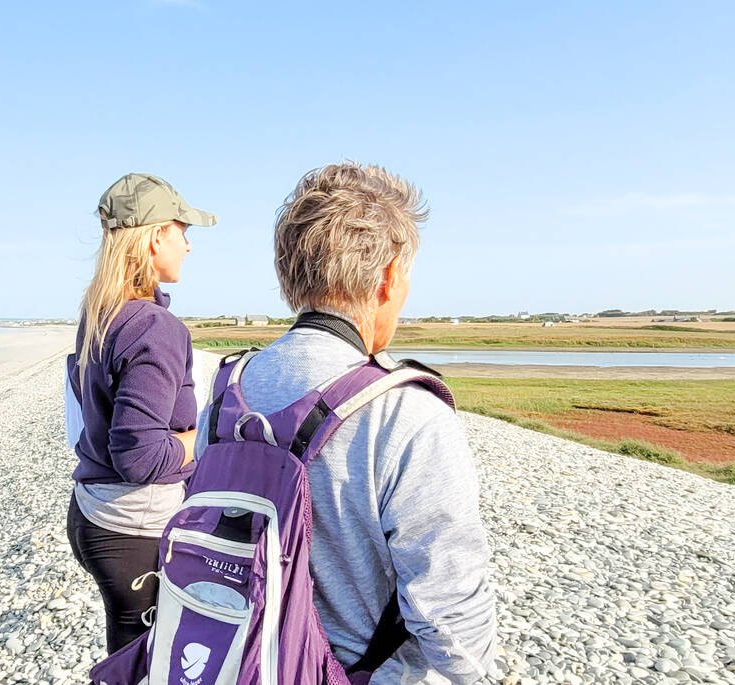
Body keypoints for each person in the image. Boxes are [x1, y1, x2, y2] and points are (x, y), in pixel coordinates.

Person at [200, 162, 498, 682]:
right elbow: (449, 611)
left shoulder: (229, 391)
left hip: (235, 660)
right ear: (388, 279)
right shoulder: (407, 411)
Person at [66, 172, 215, 654]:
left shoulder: (101, 311)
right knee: (146, 664)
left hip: (92, 512)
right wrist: (203, 435)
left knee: (129, 659)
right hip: (134, 528)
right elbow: (138, 456)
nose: (189, 246)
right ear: (156, 236)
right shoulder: (153, 326)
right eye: (183, 231)